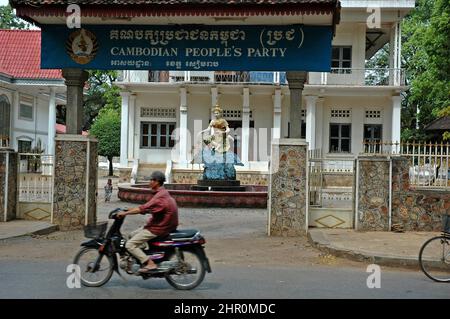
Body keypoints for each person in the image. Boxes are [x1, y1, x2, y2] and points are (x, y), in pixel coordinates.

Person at [117, 171, 178, 273]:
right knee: (131, 235)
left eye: (151, 180)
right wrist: (128, 210)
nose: (149, 182)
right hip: (160, 225)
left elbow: (142, 209)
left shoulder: (159, 196)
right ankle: (142, 255)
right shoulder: (162, 193)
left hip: (158, 228)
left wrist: (124, 214)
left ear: (157, 182)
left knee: (129, 245)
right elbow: (146, 208)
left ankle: (150, 263)